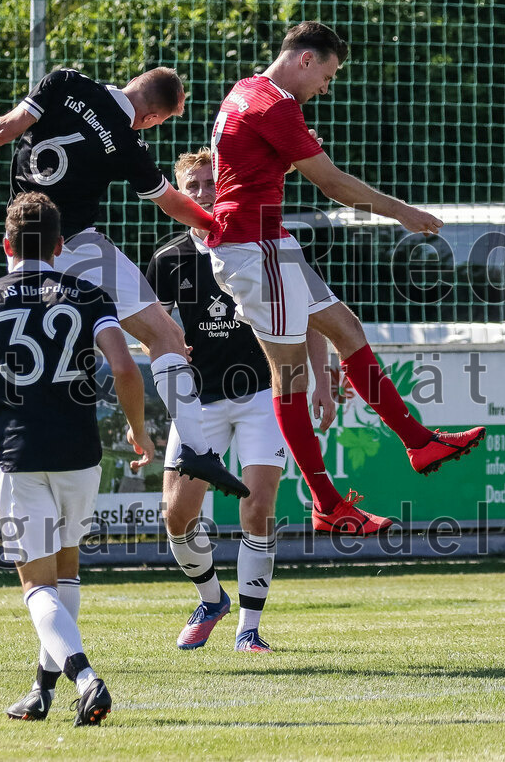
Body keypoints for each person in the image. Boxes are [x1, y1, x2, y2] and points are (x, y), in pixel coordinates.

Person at [207, 21, 486, 535]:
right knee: (289, 375)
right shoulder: (275, 104)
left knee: (347, 329)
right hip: (254, 248)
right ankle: (327, 502)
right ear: (305, 60)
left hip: (268, 243)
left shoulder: (248, 89)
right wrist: (400, 210)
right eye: (327, 76)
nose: (326, 89)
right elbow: (332, 183)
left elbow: (249, 170)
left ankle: (418, 442)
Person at [0, 66, 248, 499]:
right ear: (154, 117)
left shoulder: (66, 83)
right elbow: (173, 202)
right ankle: (195, 449)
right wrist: (218, 225)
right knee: (168, 337)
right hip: (75, 243)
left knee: (34, 358)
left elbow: (2, 129)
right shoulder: (128, 141)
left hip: (21, 243)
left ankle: (14, 458)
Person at [0, 192, 153, 726]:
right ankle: (41, 691)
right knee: (66, 571)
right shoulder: (87, 294)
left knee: (36, 584)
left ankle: (86, 679)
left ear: (6, 243)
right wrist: (138, 430)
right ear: (60, 247)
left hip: (21, 454)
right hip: (80, 455)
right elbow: (125, 368)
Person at [147, 148, 338, 652]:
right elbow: (152, 334)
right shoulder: (169, 260)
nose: (207, 193)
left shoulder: (269, 247)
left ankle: (249, 630)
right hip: (197, 402)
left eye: (215, 183)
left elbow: (312, 316)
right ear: (178, 196)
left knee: (258, 509)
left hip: (262, 395)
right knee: (176, 514)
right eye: (195, 187)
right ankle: (211, 599)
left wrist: (320, 379)